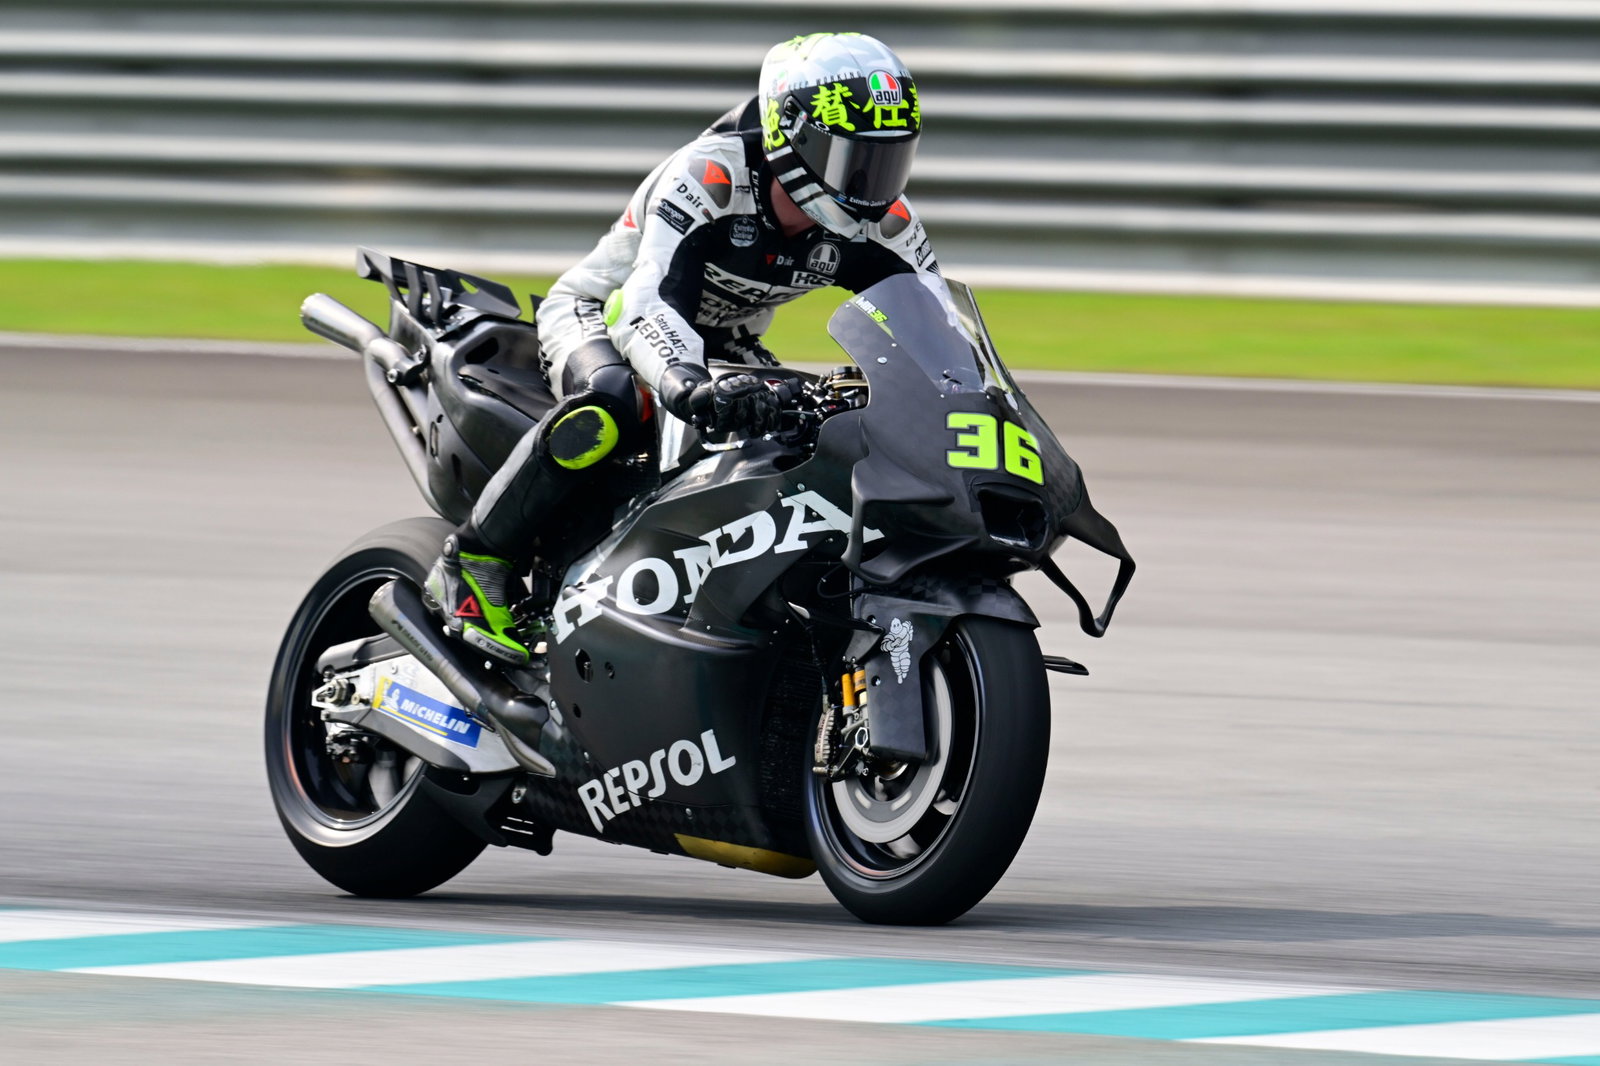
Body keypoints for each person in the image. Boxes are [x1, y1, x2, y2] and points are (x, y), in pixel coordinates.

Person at [423, 32, 950, 664]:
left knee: (809, 434)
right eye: (853, 159)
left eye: (887, 161)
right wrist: (685, 382)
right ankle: (476, 559)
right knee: (614, 401)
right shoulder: (712, 175)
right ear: (796, 137)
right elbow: (646, 303)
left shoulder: (885, 221)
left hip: (727, 339)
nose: (873, 184)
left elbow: (937, 331)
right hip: (603, 314)